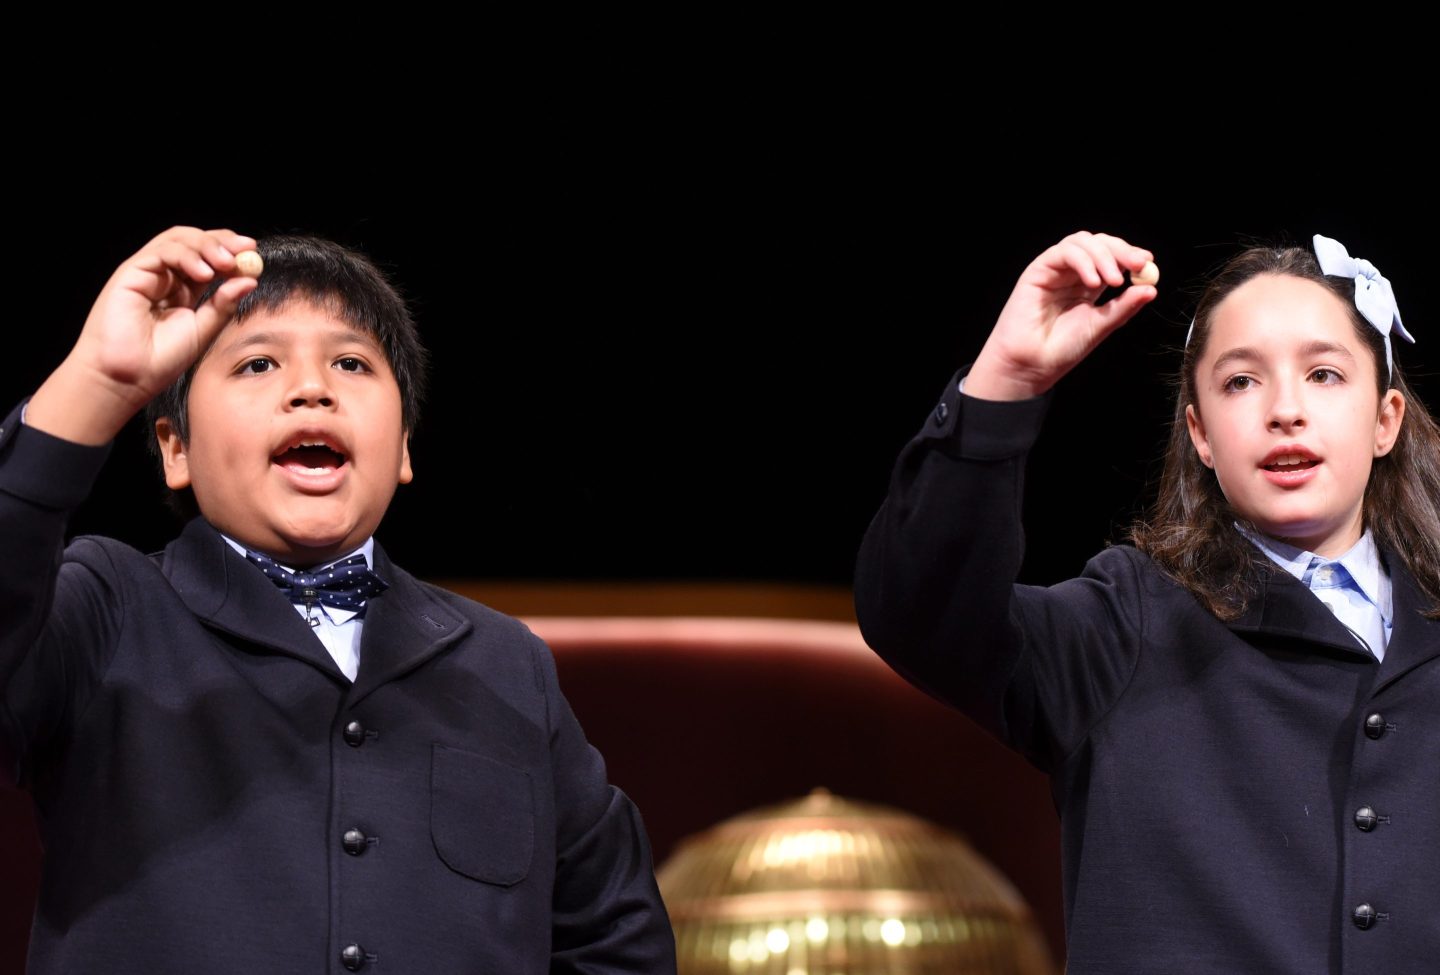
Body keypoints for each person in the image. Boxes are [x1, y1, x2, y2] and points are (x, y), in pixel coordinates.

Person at [0, 228, 677, 974]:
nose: (312, 388)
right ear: (175, 449)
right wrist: (97, 382)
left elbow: (616, 941)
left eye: (351, 363)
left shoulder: (508, 664)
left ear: (405, 447)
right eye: (259, 363)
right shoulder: (105, 606)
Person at [854, 231, 1440, 972]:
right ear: (1199, 432)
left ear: (1385, 419)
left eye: (1324, 374)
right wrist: (1007, 379)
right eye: (1240, 382)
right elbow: (920, 611)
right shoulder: (1124, 625)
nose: (1286, 409)